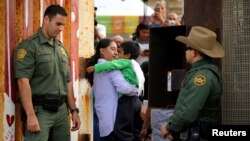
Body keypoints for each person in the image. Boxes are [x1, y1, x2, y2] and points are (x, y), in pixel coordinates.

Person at [12, 4, 80, 141]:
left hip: (61, 111)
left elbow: (67, 80)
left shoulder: (60, 48)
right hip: (41, 111)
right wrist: (30, 115)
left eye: (63, 25)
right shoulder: (29, 47)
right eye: (58, 24)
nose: (61, 29)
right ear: (46, 19)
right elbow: (22, 81)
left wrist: (74, 110)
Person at [161, 26, 225, 141]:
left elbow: (189, 111)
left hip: (197, 133)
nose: (185, 51)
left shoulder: (202, 76)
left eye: (187, 48)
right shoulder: (200, 72)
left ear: (194, 52)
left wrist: (169, 127)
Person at [87, 41, 144, 141]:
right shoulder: (112, 68)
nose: (116, 53)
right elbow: (124, 89)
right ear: (102, 51)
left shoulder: (99, 69)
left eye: (118, 50)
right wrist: (137, 90)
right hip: (113, 120)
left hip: (104, 118)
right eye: (113, 49)